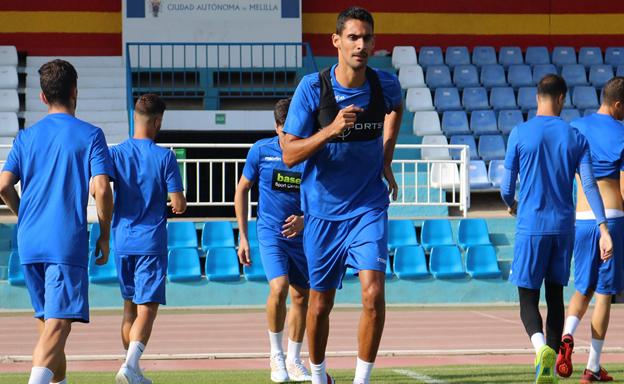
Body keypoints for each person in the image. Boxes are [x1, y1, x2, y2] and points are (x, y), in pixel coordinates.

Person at [281, 7, 402, 384]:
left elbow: (395, 108)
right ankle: (319, 377)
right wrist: (330, 130)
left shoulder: (385, 85)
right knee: (320, 306)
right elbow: (289, 154)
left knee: (373, 293)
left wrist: (386, 157)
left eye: (366, 38)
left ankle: (361, 380)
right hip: (321, 213)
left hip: (368, 206)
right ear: (336, 41)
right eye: (352, 37)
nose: (360, 45)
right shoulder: (312, 88)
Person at [0, 59, 114, 384]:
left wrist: (24, 216)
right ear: (75, 91)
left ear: (42, 96)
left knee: (49, 325)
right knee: (59, 324)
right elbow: (103, 188)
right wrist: (104, 235)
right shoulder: (91, 134)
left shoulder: (26, 137)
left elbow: (3, 185)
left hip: (30, 240)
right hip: (63, 240)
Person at [501, 74, 612, 384]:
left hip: (531, 226)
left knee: (527, 298)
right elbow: (589, 184)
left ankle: (540, 350)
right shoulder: (575, 136)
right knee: (555, 297)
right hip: (564, 228)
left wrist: (512, 204)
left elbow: (507, 187)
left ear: (538, 97)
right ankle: (547, 367)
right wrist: (603, 226)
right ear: (561, 99)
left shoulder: (520, 133)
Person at [109, 94, 187, 384]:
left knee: (129, 307)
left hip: (122, 239)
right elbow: (177, 203)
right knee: (147, 309)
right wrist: (179, 202)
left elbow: (101, 186)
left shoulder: (116, 153)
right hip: (150, 241)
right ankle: (130, 365)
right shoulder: (165, 156)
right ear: (157, 121)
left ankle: (131, 366)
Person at [234, 98, 312, 383]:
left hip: (303, 235)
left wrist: (305, 220)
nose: (289, 137)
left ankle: (294, 360)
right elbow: (242, 190)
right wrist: (243, 236)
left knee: (302, 296)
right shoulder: (260, 150)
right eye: (284, 131)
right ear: (277, 126)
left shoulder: (309, 151)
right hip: (270, 233)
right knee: (279, 288)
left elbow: (322, 194)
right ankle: (275, 356)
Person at [556, 77, 624, 383]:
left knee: (582, 287)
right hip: (612, 217)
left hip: (582, 218)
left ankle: (567, 336)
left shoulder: (576, 127)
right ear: (618, 104)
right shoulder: (622, 132)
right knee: (605, 294)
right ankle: (593, 367)